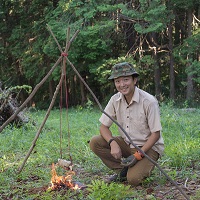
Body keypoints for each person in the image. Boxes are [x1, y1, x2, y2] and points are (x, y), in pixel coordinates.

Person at [90, 62, 164, 186]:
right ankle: (123, 171)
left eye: (125, 80)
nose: (122, 85)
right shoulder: (115, 99)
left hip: (148, 147)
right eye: (117, 81)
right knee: (95, 142)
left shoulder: (149, 101)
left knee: (133, 180)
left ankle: (135, 169)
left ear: (134, 80)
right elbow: (103, 127)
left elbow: (155, 134)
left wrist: (138, 155)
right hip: (127, 144)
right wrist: (112, 143)